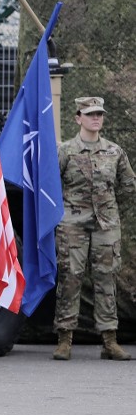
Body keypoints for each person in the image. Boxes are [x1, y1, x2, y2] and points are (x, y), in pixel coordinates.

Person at [52, 96, 135, 361]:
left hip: (106, 224)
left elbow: (128, 185)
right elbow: (51, 186)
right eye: (90, 114)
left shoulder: (114, 151)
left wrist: (109, 209)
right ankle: (65, 339)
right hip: (72, 224)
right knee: (70, 276)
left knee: (106, 278)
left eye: (99, 114)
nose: (96, 118)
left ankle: (109, 340)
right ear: (78, 118)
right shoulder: (65, 151)